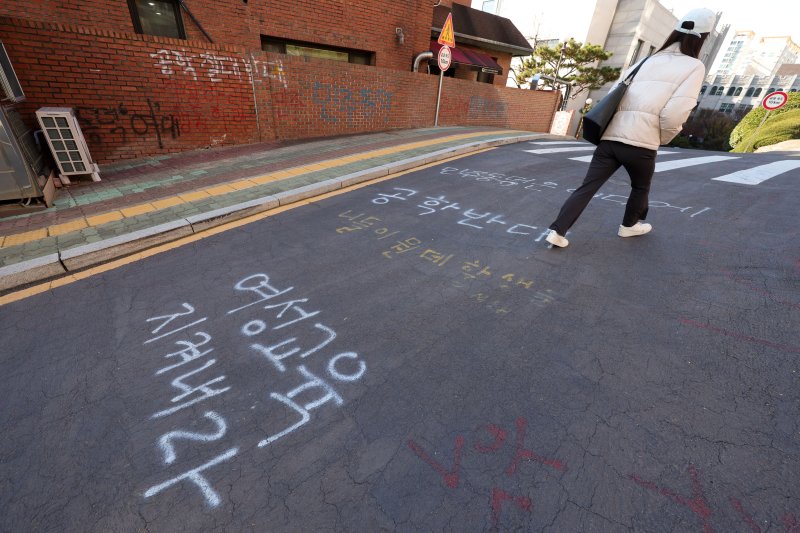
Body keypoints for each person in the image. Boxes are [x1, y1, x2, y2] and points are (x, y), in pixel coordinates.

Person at [545, 8, 716, 248]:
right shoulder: (694, 66)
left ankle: (557, 230)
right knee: (641, 186)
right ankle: (629, 226)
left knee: (587, 187)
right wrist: (662, 136)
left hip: (611, 137)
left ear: (675, 31)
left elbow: (615, 94)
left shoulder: (646, 60)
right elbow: (676, 111)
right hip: (642, 143)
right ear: (703, 37)